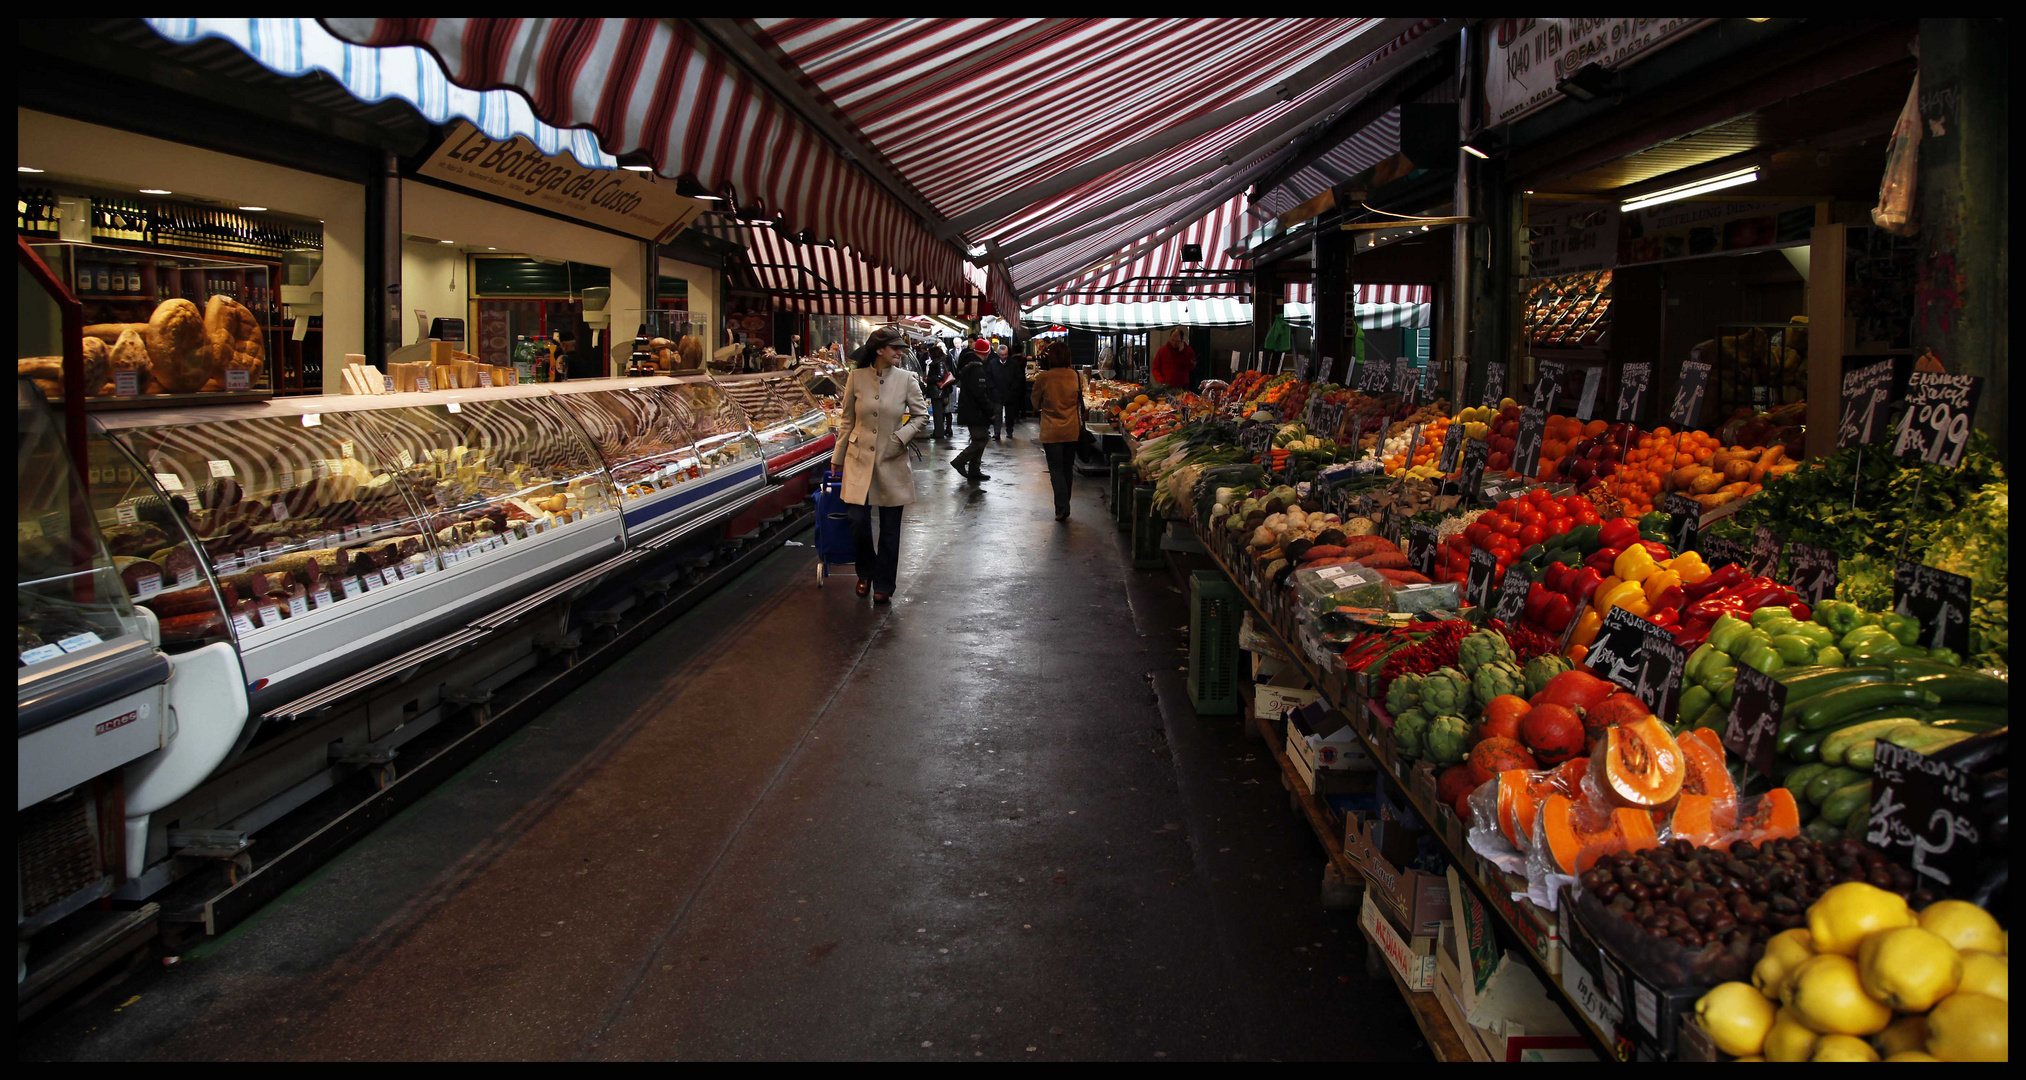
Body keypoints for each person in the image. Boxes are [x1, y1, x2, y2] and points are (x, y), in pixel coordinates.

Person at [831, 325, 929, 603]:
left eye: (901, 347)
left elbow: (922, 416)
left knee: (890, 528)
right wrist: (837, 457)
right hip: (858, 458)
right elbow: (847, 420)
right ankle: (866, 572)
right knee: (856, 520)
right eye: (895, 347)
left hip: (891, 460)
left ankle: (884, 584)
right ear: (879, 350)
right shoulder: (856, 378)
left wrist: (899, 439)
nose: (900, 352)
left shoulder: (907, 379)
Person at [1032, 339, 1084, 521]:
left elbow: (1034, 402)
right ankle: (1065, 504)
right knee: (1067, 468)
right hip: (1071, 429)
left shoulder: (1044, 378)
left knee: (1055, 468)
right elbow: (1080, 401)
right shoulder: (1077, 376)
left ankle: (1062, 507)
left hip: (1051, 430)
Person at [950, 338, 995, 483]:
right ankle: (960, 461)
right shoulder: (977, 370)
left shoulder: (970, 366)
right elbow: (980, 394)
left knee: (979, 438)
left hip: (971, 410)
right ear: (986, 352)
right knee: (981, 439)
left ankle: (974, 470)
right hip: (976, 412)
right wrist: (990, 411)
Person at [987, 342, 1021, 440]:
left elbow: (1018, 378)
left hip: (1010, 393)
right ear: (998, 354)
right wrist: (993, 388)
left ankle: (1009, 431)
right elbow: (989, 377)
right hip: (997, 393)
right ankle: (997, 432)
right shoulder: (992, 363)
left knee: (1010, 415)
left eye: (1005, 354)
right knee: (997, 414)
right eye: (1002, 355)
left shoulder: (1013, 364)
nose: (1004, 357)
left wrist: (1013, 389)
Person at [924, 344, 954, 440]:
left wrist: (928, 379)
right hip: (938, 391)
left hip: (938, 391)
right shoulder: (940, 362)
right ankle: (938, 431)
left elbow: (940, 376)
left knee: (938, 414)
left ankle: (939, 432)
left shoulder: (939, 363)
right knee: (938, 414)